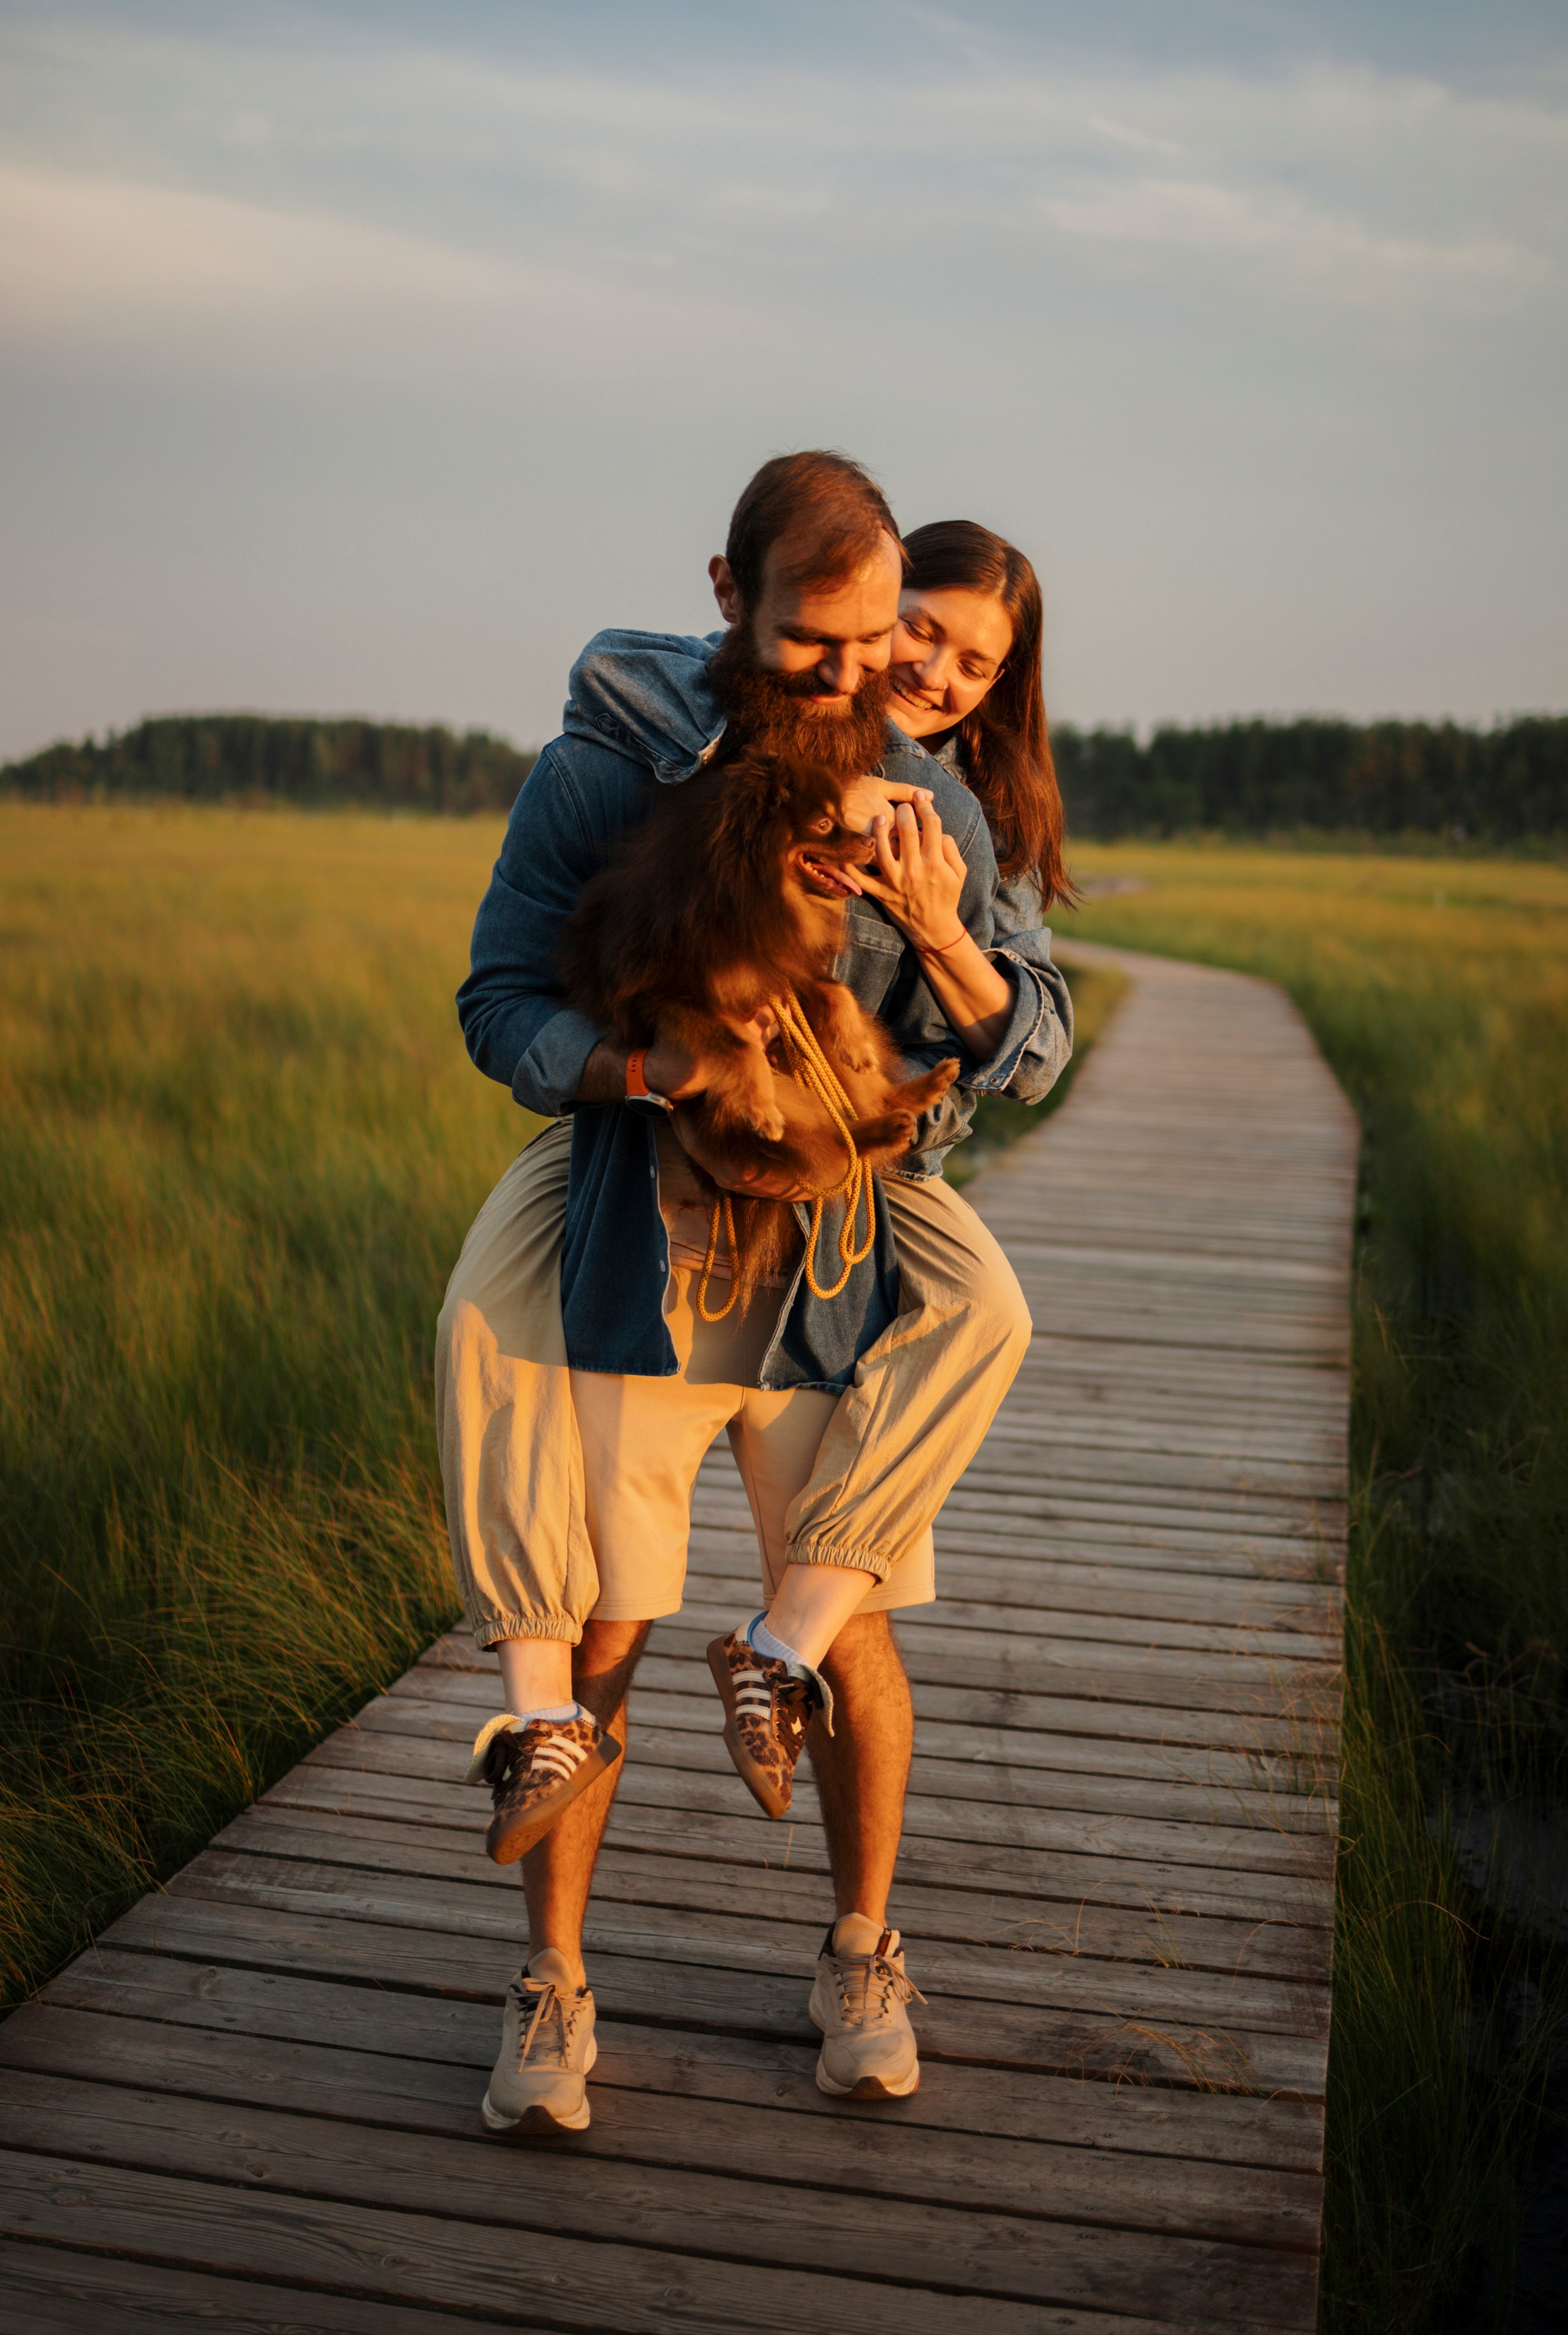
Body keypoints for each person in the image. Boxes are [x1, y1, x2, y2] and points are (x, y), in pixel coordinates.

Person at [436, 454, 1072, 2132]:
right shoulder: (610, 760)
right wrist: (652, 1068)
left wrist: (934, 932)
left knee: (845, 1630)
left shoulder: (929, 808)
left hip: (839, 1263)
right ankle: (550, 1988)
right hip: (643, 1242)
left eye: (891, 645)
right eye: (824, 640)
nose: (866, 675)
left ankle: (860, 1950)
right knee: (604, 1632)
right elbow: (498, 1006)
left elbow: (1006, 1052)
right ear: (728, 597)